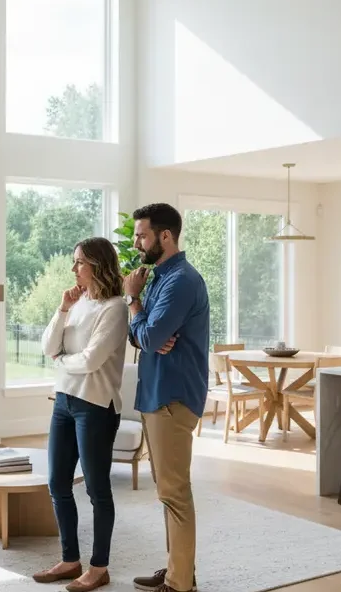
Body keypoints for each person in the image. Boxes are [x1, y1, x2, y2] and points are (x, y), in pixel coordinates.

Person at [34, 236, 129, 592]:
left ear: (98, 265)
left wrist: (62, 361)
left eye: (80, 262)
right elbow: (48, 346)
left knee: (96, 489)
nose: (74, 269)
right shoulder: (76, 302)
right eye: (74, 262)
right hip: (64, 402)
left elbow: (91, 359)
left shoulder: (115, 308)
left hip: (96, 406)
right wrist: (61, 309)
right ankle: (70, 560)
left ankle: (99, 567)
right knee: (57, 483)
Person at [123, 203, 210, 592]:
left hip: (173, 397)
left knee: (175, 494)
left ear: (165, 236)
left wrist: (134, 302)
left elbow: (148, 337)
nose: (136, 242)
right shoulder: (158, 277)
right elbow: (142, 337)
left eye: (141, 235)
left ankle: (179, 585)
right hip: (158, 393)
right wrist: (145, 329)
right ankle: (178, 570)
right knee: (167, 493)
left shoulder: (180, 281)